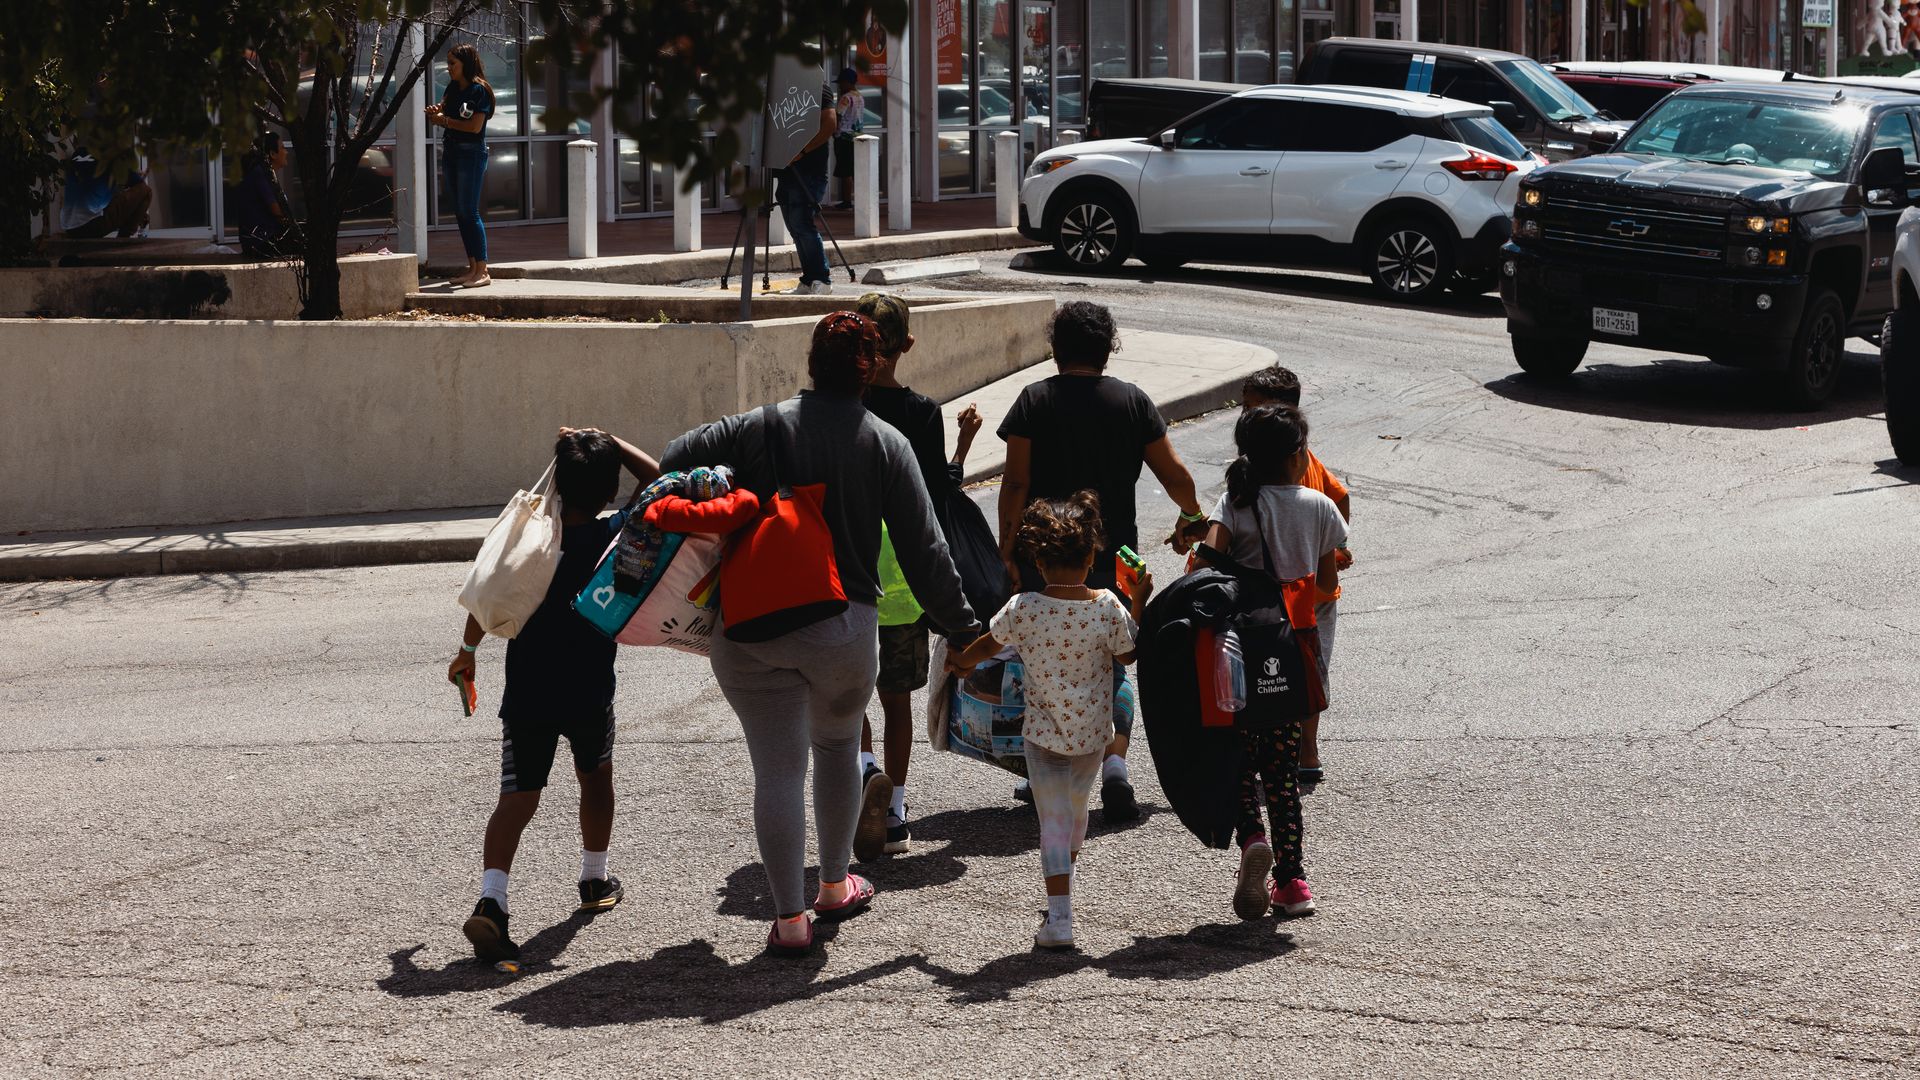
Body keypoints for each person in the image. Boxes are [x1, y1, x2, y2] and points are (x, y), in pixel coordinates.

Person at [660, 311, 978, 955]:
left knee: (777, 770)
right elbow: (925, 553)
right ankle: (834, 887)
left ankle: (788, 921)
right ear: (871, 369)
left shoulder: (756, 427)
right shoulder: (885, 443)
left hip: (749, 624)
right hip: (842, 629)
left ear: (810, 362)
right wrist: (965, 631)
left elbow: (674, 458)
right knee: (836, 748)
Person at [446, 427, 662, 964]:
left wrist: (467, 651)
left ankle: (492, 901)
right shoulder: (615, 535)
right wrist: (610, 438)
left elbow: (491, 593)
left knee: (517, 799)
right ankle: (594, 878)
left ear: (558, 485)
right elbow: (659, 477)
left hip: (528, 692)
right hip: (589, 689)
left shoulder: (533, 541)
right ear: (609, 489)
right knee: (596, 778)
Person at [996, 300, 1206, 820]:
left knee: (1045, 662)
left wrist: (1006, 547)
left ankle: (1049, 768)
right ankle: (1113, 766)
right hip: (1114, 559)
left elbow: (1016, 482)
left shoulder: (1034, 400)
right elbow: (1175, 475)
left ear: (1056, 348)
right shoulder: (1132, 401)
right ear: (1107, 348)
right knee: (1113, 660)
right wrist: (1193, 517)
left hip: (1045, 556)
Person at [947, 492, 1151, 950]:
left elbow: (987, 644)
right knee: (1075, 814)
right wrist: (1138, 600)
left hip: (1042, 737)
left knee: (1052, 820)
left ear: (1039, 562)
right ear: (1092, 556)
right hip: (1092, 737)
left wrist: (961, 663)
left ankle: (1060, 917)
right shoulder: (1107, 606)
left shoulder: (1024, 607)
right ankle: (1063, 888)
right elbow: (1129, 654)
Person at [853, 292, 984, 860]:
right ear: (907, 344)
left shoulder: (842, 406)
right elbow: (931, 499)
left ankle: (865, 772)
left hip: (846, 574)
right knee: (896, 700)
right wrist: (962, 450)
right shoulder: (922, 413)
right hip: (902, 581)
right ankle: (897, 813)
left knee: (846, 696)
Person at [1200, 404, 1344, 920]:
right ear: (1297, 456)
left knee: (1239, 759)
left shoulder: (1234, 503)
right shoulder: (1319, 506)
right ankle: (1293, 883)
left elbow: (1203, 567)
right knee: (1282, 772)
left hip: (1236, 653)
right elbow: (1326, 585)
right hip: (1291, 652)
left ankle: (1251, 837)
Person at [1240, 365, 1351, 788]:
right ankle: (1306, 751)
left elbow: (1335, 501)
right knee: (1306, 672)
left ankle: (1297, 749)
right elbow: (1338, 498)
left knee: (1273, 672)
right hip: (1312, 595)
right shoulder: (1297, 458)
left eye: (1252, 407)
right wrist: (1333, 546)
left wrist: (1331, 547)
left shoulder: (1284, 467)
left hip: (1284, 597)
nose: (1244, 414)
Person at [426, 43, 495, 288]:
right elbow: (444, 110)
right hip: (452, 151)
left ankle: (483, 271)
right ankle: (472, 268)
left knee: (469, 210)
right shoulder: (453, 88)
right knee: (459, 211)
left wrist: (444, 121)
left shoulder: (480, 90)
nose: (449, 68)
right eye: (448, 63)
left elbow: (474, 127)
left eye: (453, 63)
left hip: (471, 153)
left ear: (466, 63)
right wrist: (436, 113)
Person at [776, 76, 838, 295]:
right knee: (795, 227)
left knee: (802, 223)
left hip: (810, 171)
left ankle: (821, 279)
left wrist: (802, 151)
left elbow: (830, 123)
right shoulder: (781, 90)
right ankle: (809, 278)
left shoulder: (818, 88)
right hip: (786, 170)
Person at [60, 148, 152, 239]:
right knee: (145, 190)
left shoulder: (78, 152)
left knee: (112, 195)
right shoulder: (112, 155)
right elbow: (138, 183)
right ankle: (123, 239)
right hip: (93, 226)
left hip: (69, 227)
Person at [231, 131, 295, 258]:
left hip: (262, 240)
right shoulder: (262, 175)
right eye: (282, 148)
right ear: (272, 154)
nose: (286, 152)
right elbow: (278, 212)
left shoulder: (264, 174)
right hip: (262, 243)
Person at [832, 67, 864, 210]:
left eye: (841, 82)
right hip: (857, 136)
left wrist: (833, 131)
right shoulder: (860, 97)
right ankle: (860, 199)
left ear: (847, 82)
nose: (840, 86)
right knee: (854, 169)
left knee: (845, 171)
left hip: (844, 137)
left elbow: (838, 116)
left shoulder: (845, 98)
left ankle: (846, 201)